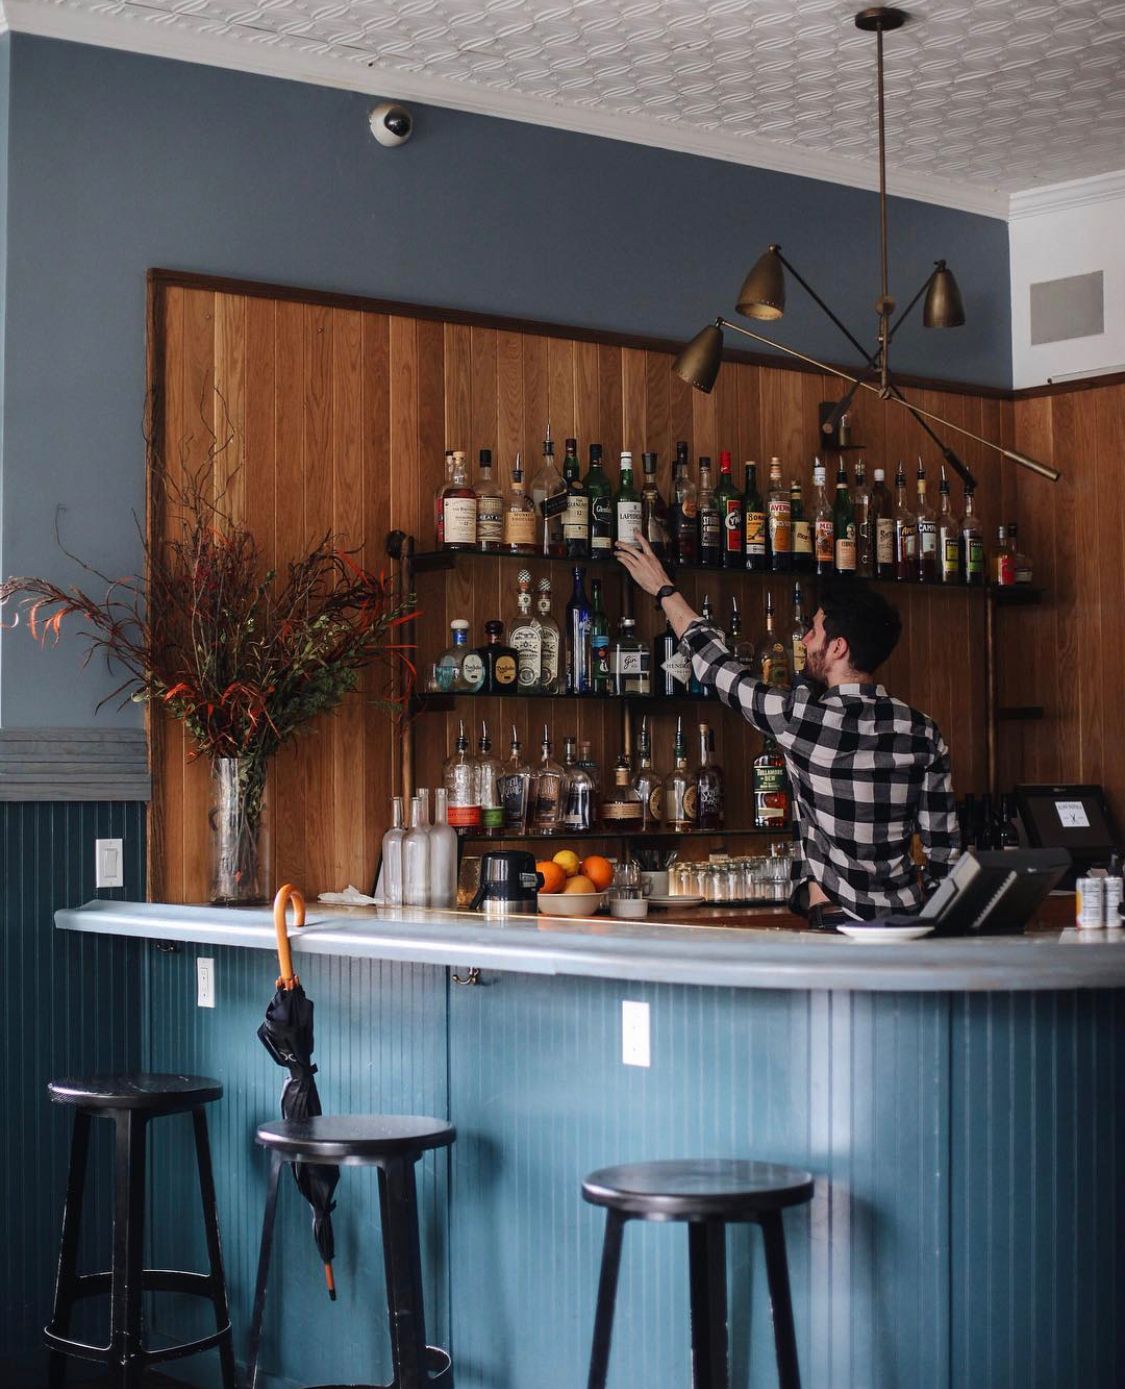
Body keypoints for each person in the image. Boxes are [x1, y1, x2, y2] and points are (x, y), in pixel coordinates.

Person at [615, 535, 958, 926]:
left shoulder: (802, 719)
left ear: (838, 647)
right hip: (908, 922)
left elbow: (716, 667)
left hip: (838, 925)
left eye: (813, 631)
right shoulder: (922, 730)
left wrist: (664, 590)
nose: (804, 639)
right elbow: (944, 850)